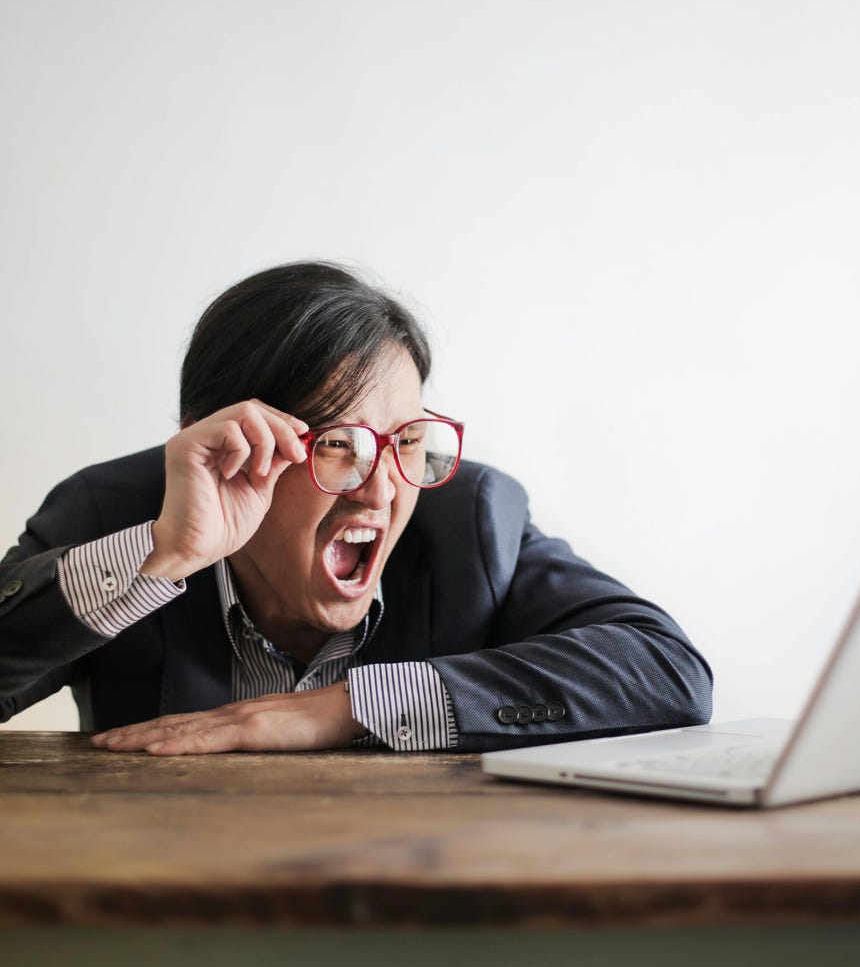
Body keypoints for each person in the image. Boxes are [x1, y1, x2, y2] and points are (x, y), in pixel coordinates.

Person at [0, 262, 712, 754]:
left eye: (406, 439)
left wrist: (344, 709)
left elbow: (666, 668)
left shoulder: (469, 519)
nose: (382, 487)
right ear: (222, 443)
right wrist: (163, 555)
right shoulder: (110, 515)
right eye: (338, 443)